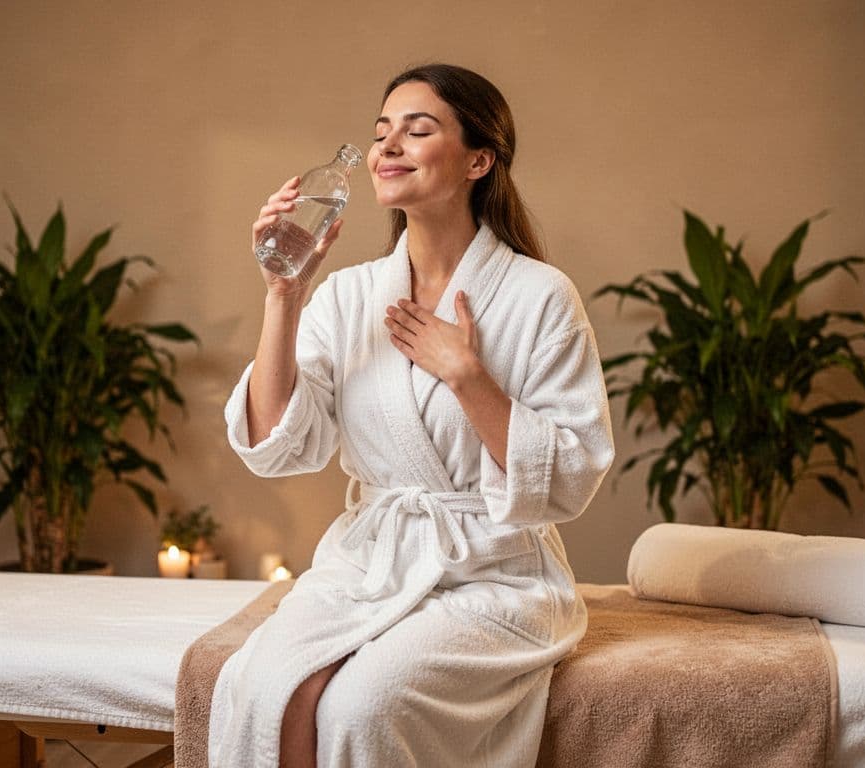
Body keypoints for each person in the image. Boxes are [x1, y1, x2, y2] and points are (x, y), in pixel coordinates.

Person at [214, 63, 615, 768]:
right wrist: (284, 295)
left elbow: (571, 475)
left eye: (417, 130)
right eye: (381, 133)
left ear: (478, 160)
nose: (388, 147)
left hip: (496, 574)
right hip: (368, 562)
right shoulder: (346, 296)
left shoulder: (541, 296)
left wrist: (467, 376)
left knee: (363, 706)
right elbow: (279, 443)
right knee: (264, 686)